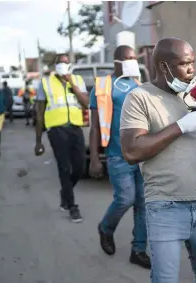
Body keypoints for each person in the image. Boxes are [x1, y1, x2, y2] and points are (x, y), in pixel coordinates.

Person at [120, 37, 196, 283]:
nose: (191, 70)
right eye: (184, 64)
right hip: (165, 206)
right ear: (164, 67)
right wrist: (180, 126)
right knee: (165, 282)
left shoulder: (192, 94)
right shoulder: (139, 97)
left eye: (193, 63)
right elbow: (132, 151)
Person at [89, 45, 151, 268]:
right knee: (126, 198)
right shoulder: (104, 86)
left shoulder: (139, 84)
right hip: (117, 154)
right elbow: (95, 126)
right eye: (128, 58)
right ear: (116, 61)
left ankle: (139, 249)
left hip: (142, 155)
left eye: (135, 58)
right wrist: (95, 158)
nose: (133, 61)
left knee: (143, 203)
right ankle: (106, 228)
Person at [34, 54, 89, 223]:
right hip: (56, 131)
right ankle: (72, 206)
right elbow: (40, 113)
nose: (63, 65)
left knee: (80, 167)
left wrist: (72, 84)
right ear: (54, 65)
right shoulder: (45, 83)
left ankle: (65, 192)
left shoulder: (78, 80)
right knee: (64, 168)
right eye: (60, 62)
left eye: (66, 62)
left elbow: (86, 103)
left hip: (75, 128)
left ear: (69, 65)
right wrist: (38, 141)